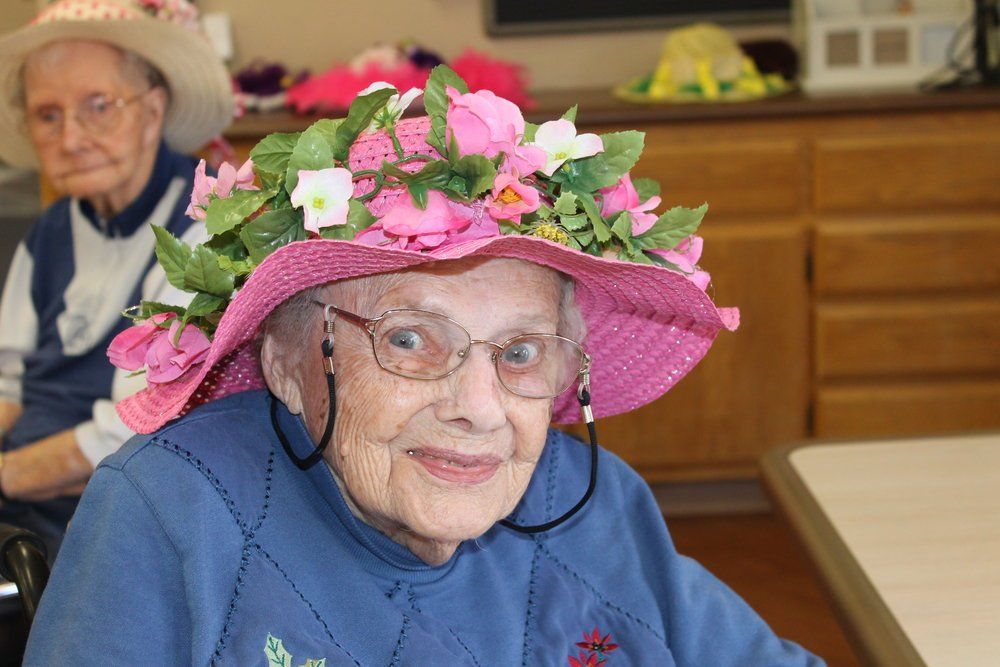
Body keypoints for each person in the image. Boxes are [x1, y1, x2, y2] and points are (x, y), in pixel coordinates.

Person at [25, 71, 823, 665]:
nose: (478, 407)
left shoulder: (594, 507)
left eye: (519, 353)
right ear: (284, 357)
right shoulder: (170, 510)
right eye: (410, 340)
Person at [0, 0, 232, 555]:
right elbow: (7, 383)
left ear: (153, 112)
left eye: (97, 106)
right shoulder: (52, 229)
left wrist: (6, 476)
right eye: (48, 115)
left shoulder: (203, 227)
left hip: (120, 517)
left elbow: (138, 424)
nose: (72, 138)